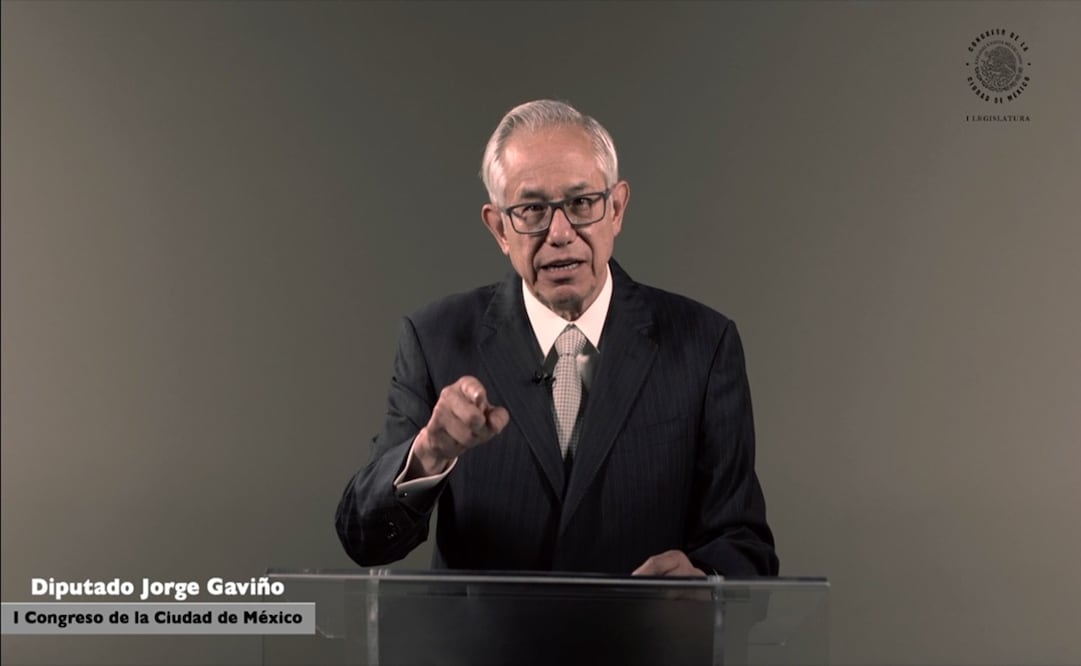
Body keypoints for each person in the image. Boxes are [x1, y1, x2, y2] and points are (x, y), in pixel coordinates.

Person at [335, 100, 778, 577]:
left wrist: (704, 577)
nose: (561, 233)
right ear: (499, 227)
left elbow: (745, 545)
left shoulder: (705, 344)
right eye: (531, 210)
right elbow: (364, 539)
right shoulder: (435, 337)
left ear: (617, 208)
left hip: (641, 646)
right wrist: (428, 453)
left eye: (582, 203)